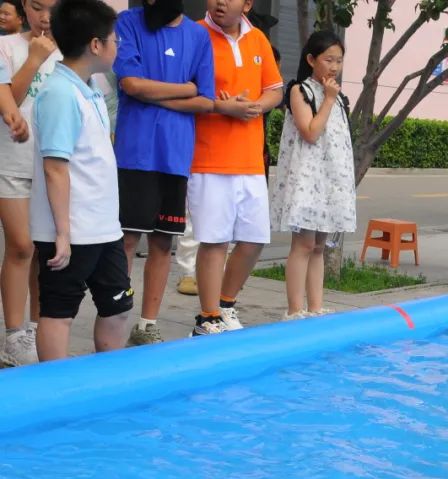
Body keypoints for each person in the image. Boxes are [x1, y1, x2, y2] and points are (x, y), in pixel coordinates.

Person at [30, 0, 132, 361]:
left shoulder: (90, 89)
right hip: (71, 230)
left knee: (118, 308)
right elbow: (55, 167)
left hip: (103, 227)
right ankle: (54, 395)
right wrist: (62, 234)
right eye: (114, 40)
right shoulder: (59, 93)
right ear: (95, 45)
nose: (117, 46)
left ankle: (105, 383)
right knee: (59, 313)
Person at [113, 0, 214, 346]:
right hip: (135, 152)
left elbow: (207, 100)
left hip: (175, 155)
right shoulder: (128, 22)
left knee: (162, 241)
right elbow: (131, 84)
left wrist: (153, 92)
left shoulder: (198, 36)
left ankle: (146, 325)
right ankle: (115, 319)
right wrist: (185, 88)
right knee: (126, 240)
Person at [187, 0, 283, 335]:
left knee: (254, 239)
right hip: (209, 157)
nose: (219, 2)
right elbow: (185, 93)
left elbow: (274, 88)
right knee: (214, 241)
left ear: (247, 3)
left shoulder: (257, 39)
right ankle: (207, 316)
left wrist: (257, 106)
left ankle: (226, 304)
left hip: (250, 159)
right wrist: (219, 105)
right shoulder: (194, 35)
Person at [270, 30, 355, 320]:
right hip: (308, 180)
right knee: (304, 244)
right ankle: (295, 309)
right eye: (328, 59)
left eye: (339, 61)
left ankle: (315, 307)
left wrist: (333, 97)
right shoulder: (300, 91)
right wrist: (330, 100)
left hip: (329, 181)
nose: (334, 66)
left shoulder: (336, 96)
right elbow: (310, 132)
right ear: (311, 59)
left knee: (319, 247)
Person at [0, 0, 60, 366]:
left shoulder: (69, 48)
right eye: (38, 7)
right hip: (11, 161)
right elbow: (12, 99)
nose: (45, 16)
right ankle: (13, 334)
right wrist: (34, 59)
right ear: (25, 6)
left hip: (51, 166)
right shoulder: (7, 46)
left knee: (44, 252)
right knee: (20, 246)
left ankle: (37, 328)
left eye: (52, 8)